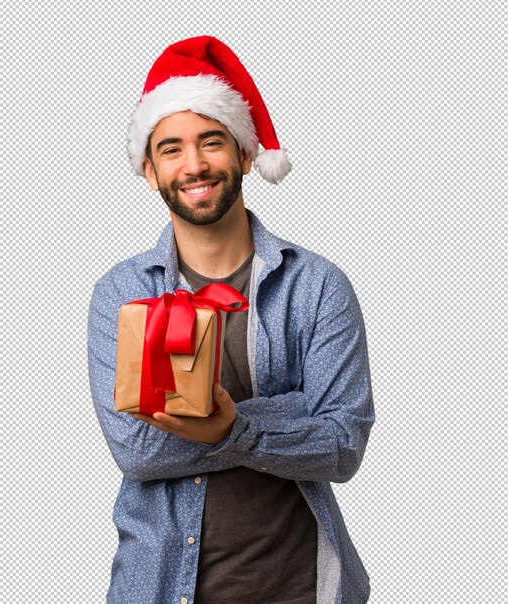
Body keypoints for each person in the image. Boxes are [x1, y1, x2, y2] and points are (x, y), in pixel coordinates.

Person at [88, 36, 374, 604]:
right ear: (149, 171)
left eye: (211, 142)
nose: (193, 165)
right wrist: (290, 414)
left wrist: (229, 426)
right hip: (160, 587)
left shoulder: (317, 286)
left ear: (244, 154)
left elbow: (343, 444)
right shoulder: (121, 292)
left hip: (301, 588)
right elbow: (137, 451)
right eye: (171, 149)